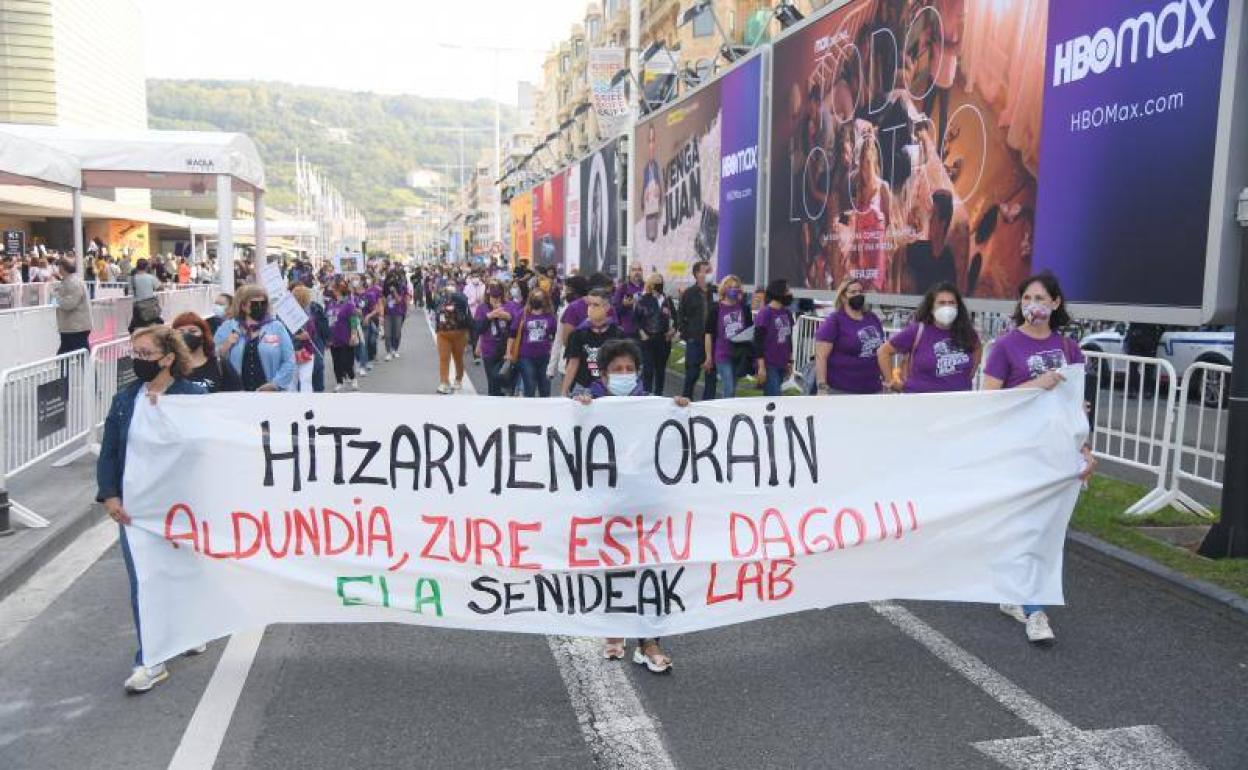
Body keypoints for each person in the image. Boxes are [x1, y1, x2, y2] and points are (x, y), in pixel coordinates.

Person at [982, 273, 1097, 645]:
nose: (1034, 304)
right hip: (1018, 453)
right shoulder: (1004, 347)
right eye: (1027, 297)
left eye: (1041, 297)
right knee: (1029, 528)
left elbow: (1076, 410)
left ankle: (1015, 594)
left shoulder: (1069, 348)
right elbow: (990, 402)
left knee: (1047, 530)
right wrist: (1036, 385)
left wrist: (1085, 450)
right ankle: (1035, 610)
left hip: (1057, 455)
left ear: (1055, 304)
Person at [95, 324, 207, 693]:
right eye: (135, 353)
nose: (137, 360)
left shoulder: (193, 397)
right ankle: (151, 660)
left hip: (183, 507)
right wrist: (110, 495)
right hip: (136, 513)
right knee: (144, 580)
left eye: (145, 354)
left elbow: (210, 448)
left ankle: (188, 630)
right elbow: (110, 450)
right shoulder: (125, 400)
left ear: (168, 358)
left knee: (182, 572)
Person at [571, 338, 688, 674]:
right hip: (606, 504)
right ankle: (614, 629)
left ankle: (649, 642)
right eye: (617, 370)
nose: (624, 375)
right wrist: (579, 408)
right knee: (611, 566)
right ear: (604, 376)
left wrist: (678, 411)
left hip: (646, 503)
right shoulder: (589, 401)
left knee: (650, 569)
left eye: (630, 369)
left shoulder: (653, 405)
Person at [877, 282, 980, 393]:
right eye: (942, 303)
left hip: (959, 403)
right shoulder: (916, 331)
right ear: (931, 307)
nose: (947, 307)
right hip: (922, 403)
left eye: (951, 303)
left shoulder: (967, 332)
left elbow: (977, 348)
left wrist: (966, 377)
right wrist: (891, 381)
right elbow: (883, 352)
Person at [213, 285, 296, 392]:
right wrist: (226, 345)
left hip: (269, 394)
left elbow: (289, 360)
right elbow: (212, 358)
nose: (260, 306)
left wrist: (275, 384)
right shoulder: (227, 327)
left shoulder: (276, 327)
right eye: (255, 304)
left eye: (263, 303)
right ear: (243, 306)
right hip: (236, 395)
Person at [813, 278, 885, 395]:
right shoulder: (834, 321)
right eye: (853, 292)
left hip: (873, 388)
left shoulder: (872, 318)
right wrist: (821, 387)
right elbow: (821, 356)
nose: (858, 295)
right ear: (843, 297)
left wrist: (887, 380)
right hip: (842, 390)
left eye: (860, 292)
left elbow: (881, 351)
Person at [562, 288, 623, 397]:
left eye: (596, 305)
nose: (591, 308)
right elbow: (573, 363)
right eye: (589, 305)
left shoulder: (617, 334)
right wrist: (564, 390)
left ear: (606, 307)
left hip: (609, 387)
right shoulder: (578, 334)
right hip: (583, 388)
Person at [704, 274, 752, 399]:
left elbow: (750, 329)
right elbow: (708, 334)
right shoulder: (716, 308)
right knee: (729, 387)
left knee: (733, 387)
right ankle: (726, 413)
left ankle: (727, 410)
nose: (733, 290)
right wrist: (709, 356)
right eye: (730, 287)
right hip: (722, 353)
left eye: (736, 287)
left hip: (739, 353)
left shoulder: (744, 308)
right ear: (724, 289)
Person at [903, 190, 958, 294]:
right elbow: (898, 253)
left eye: (934, 215)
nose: (930, 220)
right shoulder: (919, 249)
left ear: (942, 223)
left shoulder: (948, 262)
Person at [172, 312, 239, 393]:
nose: (186, 335)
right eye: (180, 332)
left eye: (193, 331)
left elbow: (237, 396)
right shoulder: (169, 367)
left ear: (203, 336)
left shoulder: (219, 365)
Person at [678, 260, 717, 400]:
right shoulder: (689, 293)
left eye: (710, 271)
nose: (709, 274)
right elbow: (681, 316)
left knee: (711, 377)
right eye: (706, 271)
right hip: (695, 340)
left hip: (713, 341)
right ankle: (686, 404)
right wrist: (687, 335)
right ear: (697, 274)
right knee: (692, 375)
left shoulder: (716, 291)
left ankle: (707, 407)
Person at [635, 273, 676, 396]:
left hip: (664, 340)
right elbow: (636, 319)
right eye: (656, 282)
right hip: (648, 339)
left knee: (660, 370)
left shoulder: (667, 300)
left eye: (660, 282)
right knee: (648, 369)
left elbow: (676, 317)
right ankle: (646, 394)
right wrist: (642, 333)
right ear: (650, 284)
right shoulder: (643, 300)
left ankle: (659, 394)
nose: (659, 285)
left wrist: (673, 330)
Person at [753, 279, 796, 397]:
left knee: (774, 396)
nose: (790, 293)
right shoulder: (765, 313)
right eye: (787, 290)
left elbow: (788, 338)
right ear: (778, 292)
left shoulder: (787, 313)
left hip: (782, 361)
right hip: (769, 363)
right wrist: (761, 367)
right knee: (774, 396)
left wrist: (790, 361)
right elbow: (758, 341)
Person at [514, 288, 557, 398]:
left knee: (545, 388)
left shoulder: (550, 316)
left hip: (544, 356)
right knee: (530, 386)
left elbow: (555, 334)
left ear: (545, 300)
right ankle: (530, 412)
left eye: (539, 297)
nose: (537, 300)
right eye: (535, 297)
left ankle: (544, 412)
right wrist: (509, 352)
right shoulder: (522, 314)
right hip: (526, 356)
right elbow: (512, 333)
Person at [475, 281, 513, 396]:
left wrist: (508, 317)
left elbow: (516, 328)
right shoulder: (482, 308)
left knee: (505, 378)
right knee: (492, 381)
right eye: (493, 297)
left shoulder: (509, 306)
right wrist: (489, 316)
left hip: (506, 349)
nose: (496, 300)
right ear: (488, 295)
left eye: (498, 296)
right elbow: (478, 329)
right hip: (489, 349)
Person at [434, 282, 471, 394]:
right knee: (444, 358)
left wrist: (454, 294)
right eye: (447, 286)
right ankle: (444, 382)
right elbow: (435, 309)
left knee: (458, 358)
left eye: (451, 286)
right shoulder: (440, 299)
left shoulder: (460, 299)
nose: (448, 288)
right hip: (443, 333)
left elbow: (465, 303)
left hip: (459, 333)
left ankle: (458, 378)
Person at [324, 280, 360, 391]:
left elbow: (354, 319)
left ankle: (353, 379)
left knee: (347, 362)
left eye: (334, 289)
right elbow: (326, 320)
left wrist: (353, 334)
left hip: (346, 337)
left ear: (339, 291)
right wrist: (327, 337)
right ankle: (339, 381)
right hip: (333, 338)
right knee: (336, 362)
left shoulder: (349, 304)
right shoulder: (330, 304)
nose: (332, 291)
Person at [52, 258, 92, 354]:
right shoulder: (70, 281)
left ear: (63, 268)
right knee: (67, 355)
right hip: (72, 327)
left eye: (59, 267)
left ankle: (89, 369)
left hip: (75, 327)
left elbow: (69, 304)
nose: (58, 270)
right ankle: (88, 369)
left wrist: (55, 296)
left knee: (79, 355)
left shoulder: (73, 283)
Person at [290, 285, 322, 393]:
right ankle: (307, 404)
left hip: (292, 351)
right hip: (306, 351)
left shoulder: (287, 314)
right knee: (306, 380)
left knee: (292, 382)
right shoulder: (309, 314)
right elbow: (313, 333)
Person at [614, 262, 647, 341]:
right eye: (634, 270)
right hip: (628, 331)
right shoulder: (622, 288)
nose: (637, 272)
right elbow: (615, 310)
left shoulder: (647, 287)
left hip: (646, 330)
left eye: (639, 270)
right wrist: (624, 305)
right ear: (629, 273)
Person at [129, 259, 162, 332]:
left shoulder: (132, 279)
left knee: (133, 329)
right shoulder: (150, 277)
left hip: (138, 308)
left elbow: (129, 291)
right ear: (146, 267)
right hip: (151, 307)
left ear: (137, 267)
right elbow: (160, 287)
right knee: (158, 325)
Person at [382, 269, 409, 361]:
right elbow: (383, 302)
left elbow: (399, 300)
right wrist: (387, 298)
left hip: (398, 313)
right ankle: (388, 352)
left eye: (394, 277)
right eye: (390, 277)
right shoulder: (384, 288)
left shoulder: (401, 287)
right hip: (387, 314)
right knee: (387, 334)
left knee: (397, 333)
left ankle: (395, 349)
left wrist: (394, 292)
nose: (392, 280)